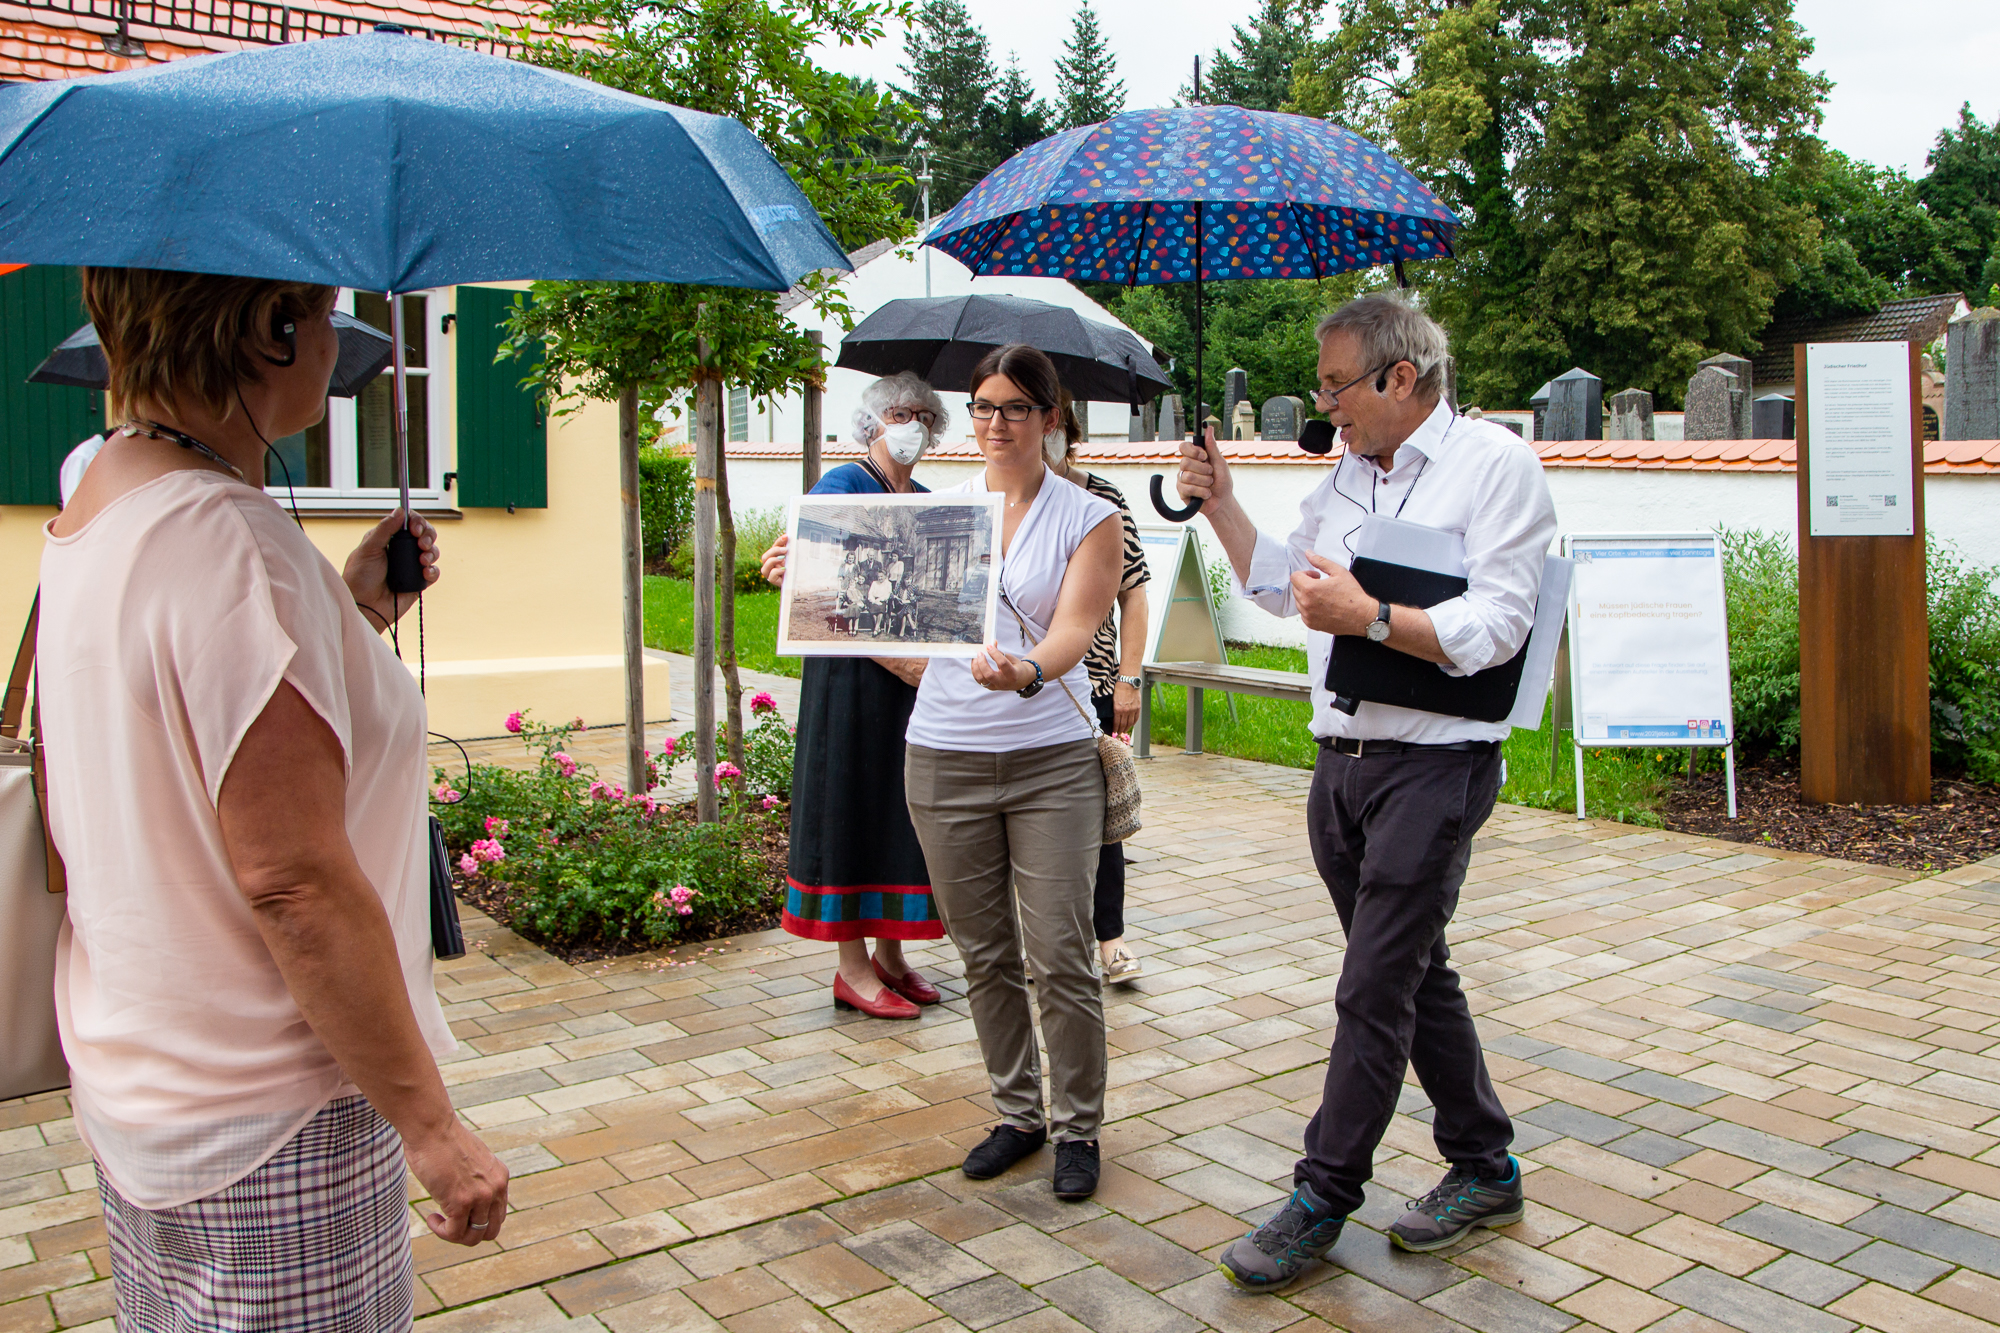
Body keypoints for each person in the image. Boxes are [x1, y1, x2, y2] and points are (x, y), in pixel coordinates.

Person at [38, 268, 509, 1328]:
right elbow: (292, 879)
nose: (339, 339)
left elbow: (186, 723)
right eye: (323, 311)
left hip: (145, 1077)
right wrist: (433, 1130)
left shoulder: (102, 490)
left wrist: (347, 611)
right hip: (272, 1110)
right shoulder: (229, 541)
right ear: (268, 328)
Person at [1176, 295, 1556, 1290]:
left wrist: (1372, 614)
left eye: (1336, 383)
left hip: (1434, 767)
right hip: (1337, 764)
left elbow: (1499, 626)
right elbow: (1277, 586)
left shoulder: (1492, 466)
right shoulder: (1344, 473)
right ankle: (1483, 1164)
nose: (1324, 403)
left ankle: (1320, 1196)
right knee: (1413, 974)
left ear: (1399, 376)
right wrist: (1219, 502)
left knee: (1370, 990)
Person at [902, 344, 1123, 1200]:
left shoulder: (1087, 516)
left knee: (1061, 951)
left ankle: (1077, 1127)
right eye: (983, 407)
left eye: (1015, 408)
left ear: (1051, 417)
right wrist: (806, 585)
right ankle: (1018, 1112)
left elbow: (1074, 628)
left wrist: (1028, 670)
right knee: (985, 951)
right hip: (943, 754)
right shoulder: (939, 512)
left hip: (1049, 762)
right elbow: (890, 620)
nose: (996, 424)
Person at [760, 371, 950, 1019]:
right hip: (849, 681)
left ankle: (892, 957)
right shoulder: (841, 484)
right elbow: (814, 578)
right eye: (901, 412)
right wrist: (789, 565)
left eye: (925, 415)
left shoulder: (926, 499)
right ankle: (851, 969)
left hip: (910, 685)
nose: (913, 425)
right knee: (846, 804)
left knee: (901, 810)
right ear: (872, 421)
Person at [1047, 405, 1149, 983]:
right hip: (1020, 684)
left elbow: (1134, 594)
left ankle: (1110, 941)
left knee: (1101, 818)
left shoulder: (1102, 499)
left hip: (1095, 682)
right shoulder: (1000, 497)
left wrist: (1130, 677)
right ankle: (1046, 945)